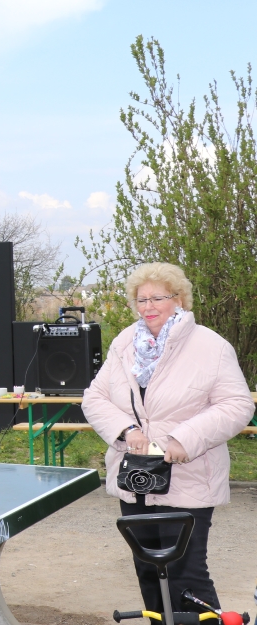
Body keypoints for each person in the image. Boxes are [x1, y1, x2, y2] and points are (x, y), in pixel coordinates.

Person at [82, 262, 254, 617]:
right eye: (141, 299)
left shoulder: (211, 346)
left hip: (188, 476)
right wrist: (127, 430)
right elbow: (94, 397)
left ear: (179, 300)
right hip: (136, 477)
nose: (148, 306)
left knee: (185, 575)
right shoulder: (124, 344)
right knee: (148, 572)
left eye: (158, 298)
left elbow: (237, 405)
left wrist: (184, 439)